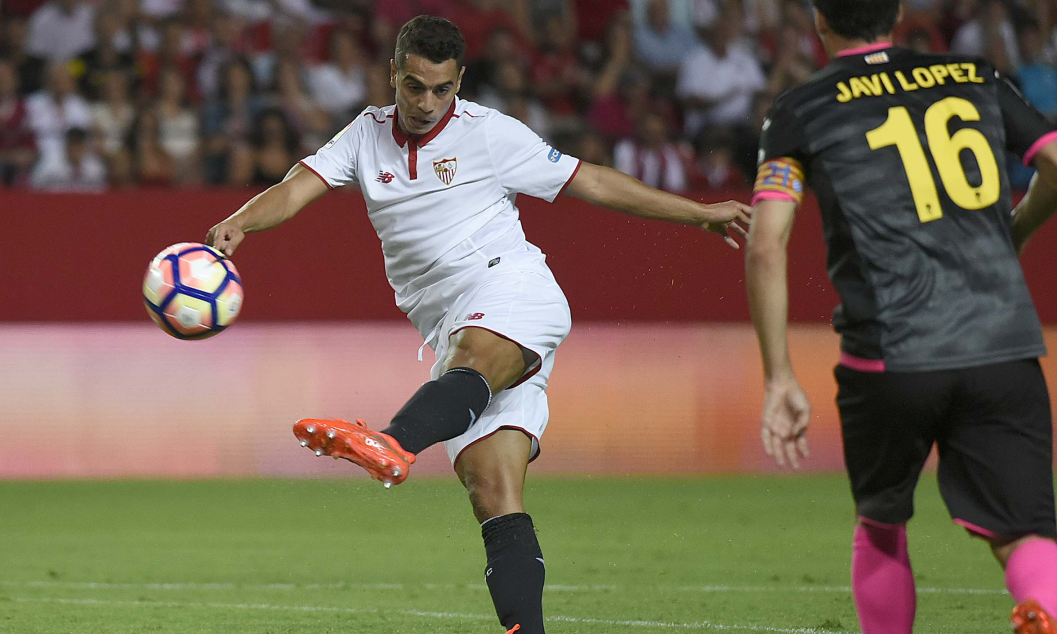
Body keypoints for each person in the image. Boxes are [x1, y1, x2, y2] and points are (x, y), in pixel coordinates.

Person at [205, 16, 749, 634]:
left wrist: (696, 213)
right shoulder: (363, 135)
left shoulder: (490, 134)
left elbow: (591, 180)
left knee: (474, 359)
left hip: (510, 289)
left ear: (459, 81)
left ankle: (396, 439)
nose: (425, 103)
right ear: (394, 73)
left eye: (441, 90)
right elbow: (295, 186)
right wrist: (242, 222)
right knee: (493, 492)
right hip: (446, 327)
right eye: (413, 86)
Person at [744, 2, 1057, 634]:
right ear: (898, 12)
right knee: (1024, 530)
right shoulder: (977, 76)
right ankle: (1044, 612)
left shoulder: (800, 109)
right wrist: (1013, 231)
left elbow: (765, 242)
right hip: (1001, 342)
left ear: (818, 23)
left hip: (891, 353)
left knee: (883, 523)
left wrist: (778, 376)